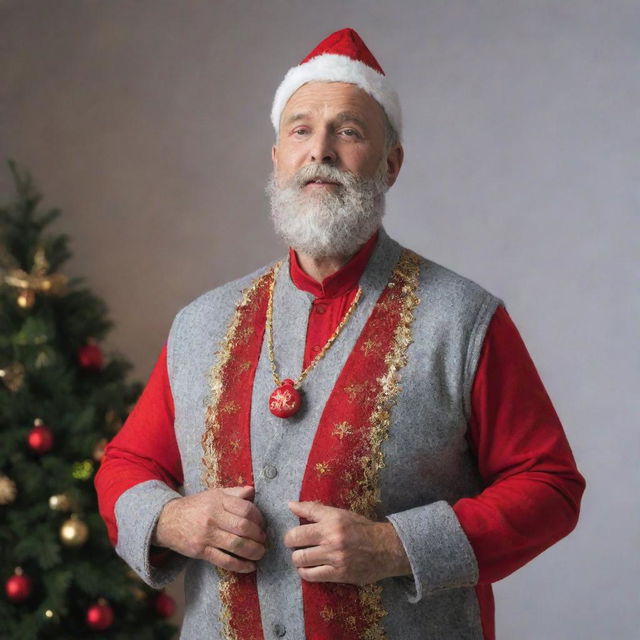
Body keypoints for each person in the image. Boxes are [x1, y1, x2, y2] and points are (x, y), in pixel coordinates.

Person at [95, 28, 585, 640]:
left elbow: (550, 487)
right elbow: (124, 466)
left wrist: (394, 546)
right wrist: (169, 519)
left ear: (392, 163)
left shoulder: (464, 318)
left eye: (349, 131)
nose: (320, 151)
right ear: (277, 158)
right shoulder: (201, 323)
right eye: (300, 129)